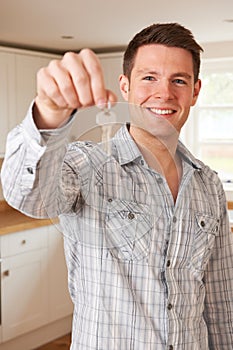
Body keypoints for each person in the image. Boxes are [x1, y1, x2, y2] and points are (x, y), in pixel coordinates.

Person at [1, 23, 233, 349]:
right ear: (125, 86)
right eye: (149, 78)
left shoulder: (208, 184)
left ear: (195, 91)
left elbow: (221, 300)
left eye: (178, 81)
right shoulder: (88, 165)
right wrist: (48, 114)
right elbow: (28, 195)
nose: (164, 93)